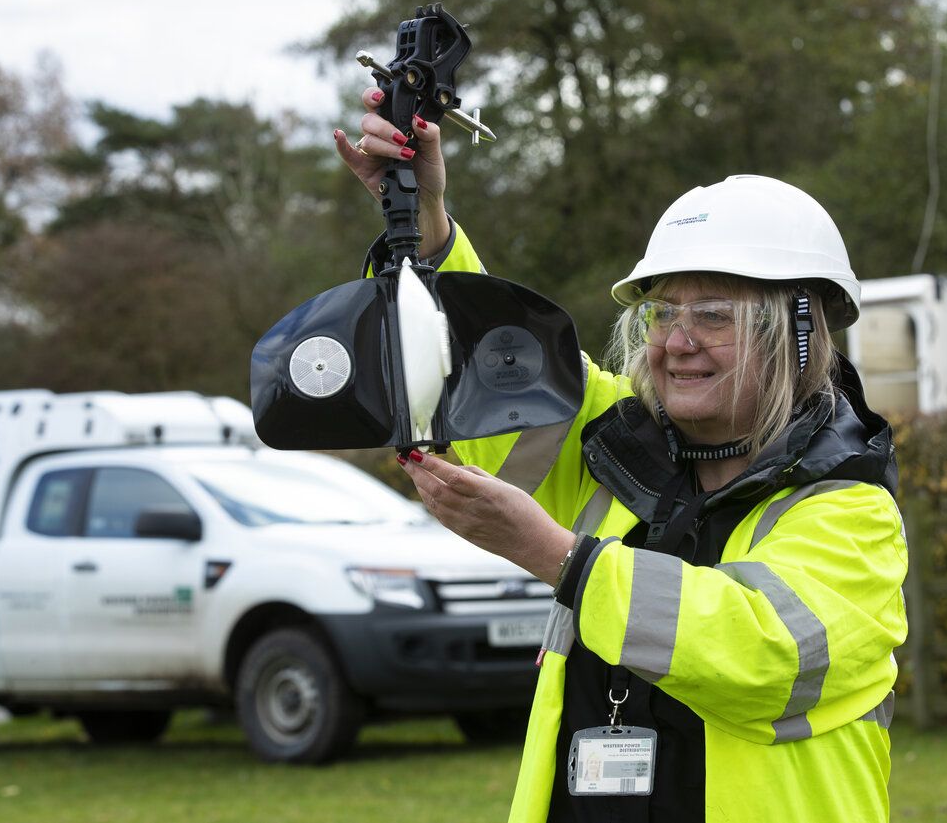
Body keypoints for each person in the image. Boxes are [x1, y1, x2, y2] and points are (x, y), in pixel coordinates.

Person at [333, 89, 908, 823]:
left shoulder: (848, 506)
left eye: (713, 315)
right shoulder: (617, 445)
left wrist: (564, 560)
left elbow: (764, 655)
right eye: (663, 312)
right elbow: (482, 369)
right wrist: (421, 222)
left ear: (796, 334)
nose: (676, 340)